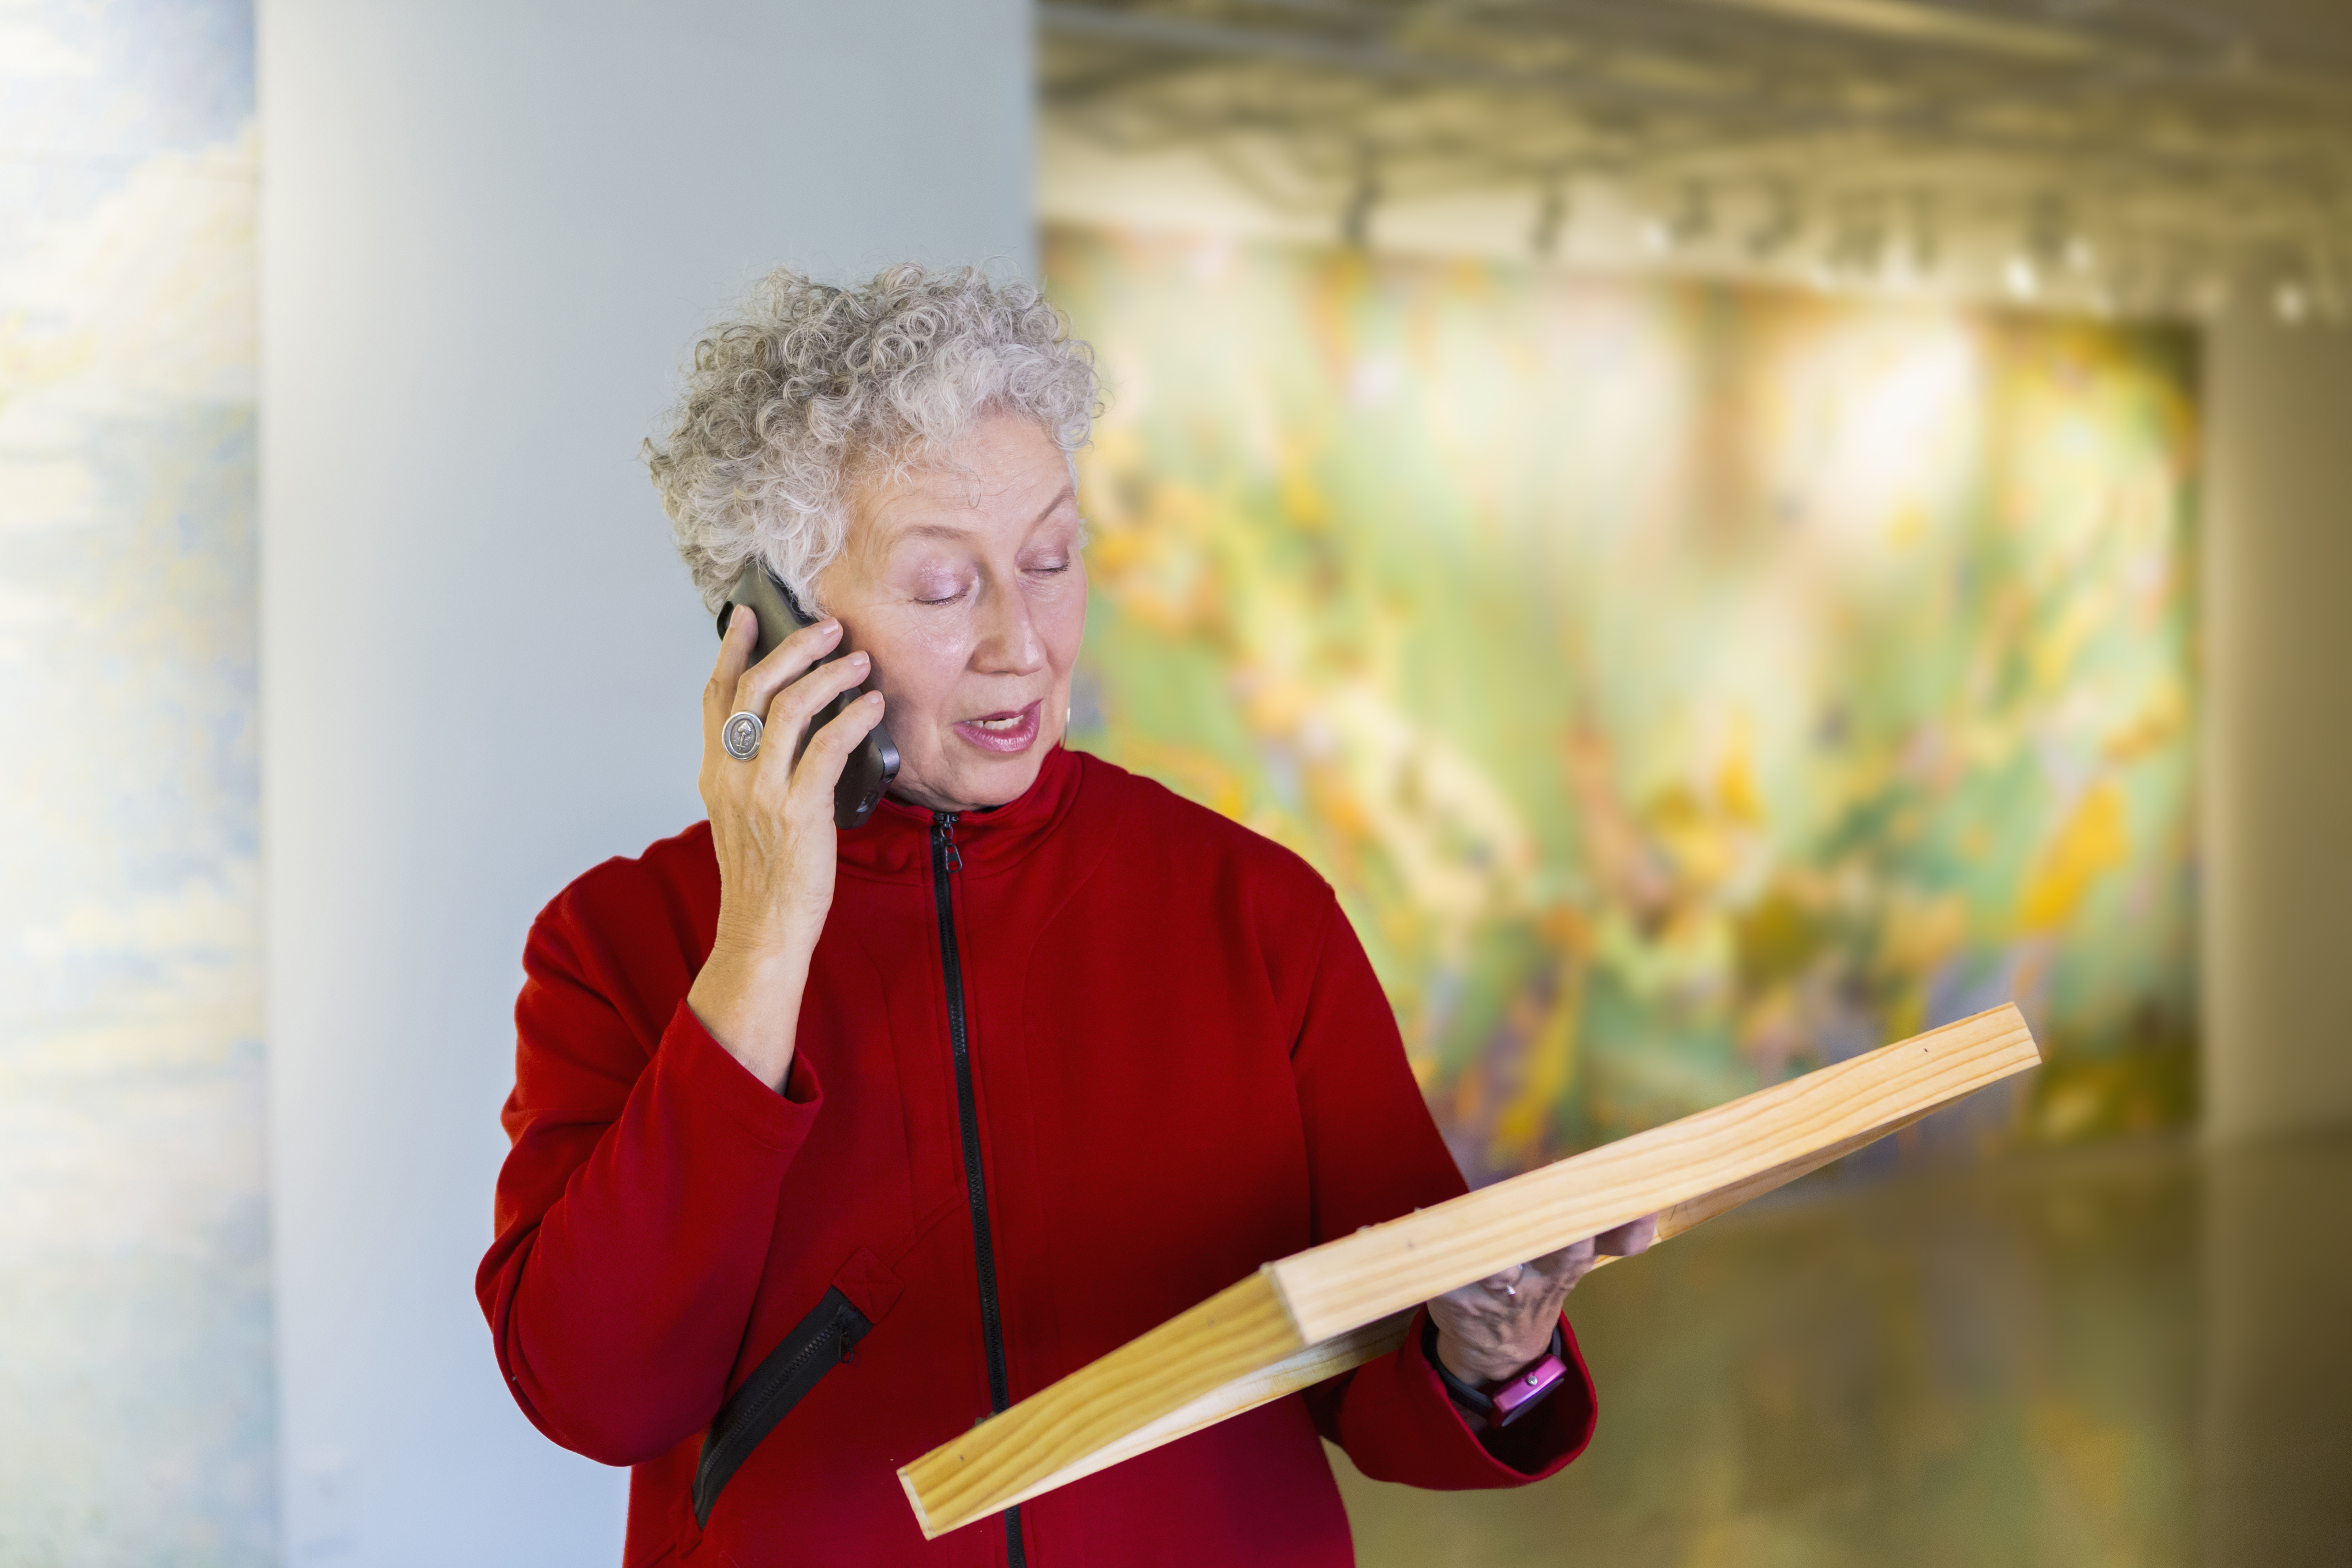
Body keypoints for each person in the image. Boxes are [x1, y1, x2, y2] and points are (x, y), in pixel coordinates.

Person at [476, 265, 1654, 1566]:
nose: (1022, 642)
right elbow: (596, 1388)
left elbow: (1379, 1382)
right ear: (779, 629)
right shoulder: (618, 945)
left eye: (1047, 558)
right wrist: (760, 935)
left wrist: (1495, 1352)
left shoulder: (1252, 913)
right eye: (940, 585)